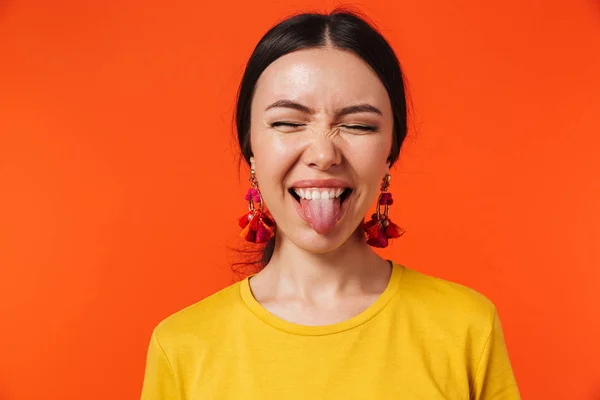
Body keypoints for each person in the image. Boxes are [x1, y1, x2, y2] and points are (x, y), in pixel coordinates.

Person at [141, 10, 520, 399]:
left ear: (391, 152)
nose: (324, 154)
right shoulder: (182, 347)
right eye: (288, 122)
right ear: (251, 148)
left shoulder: (467, 328)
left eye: (358, 126)